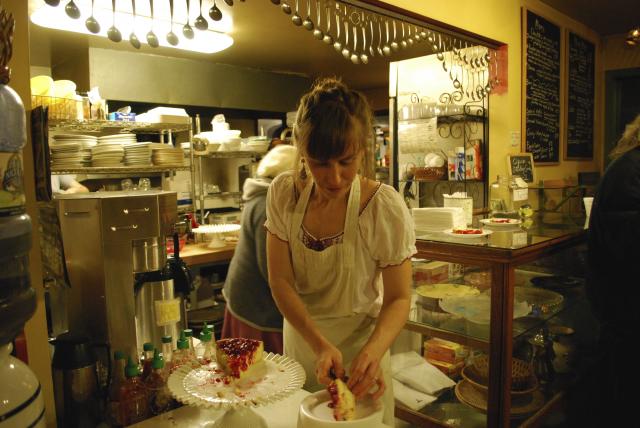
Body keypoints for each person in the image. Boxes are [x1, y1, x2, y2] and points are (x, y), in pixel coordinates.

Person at [265, 78, 416, 425]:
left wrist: (373, 353)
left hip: (364, 350)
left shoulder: (383, 206)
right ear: (302, 152)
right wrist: (318, 344)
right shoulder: (284, 194)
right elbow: (281, 283)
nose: (334, 177)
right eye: (319, 163)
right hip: (303, 346)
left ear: (363, 150)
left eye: (346, 161)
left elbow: (398, 298)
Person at [582, 113, 640, 427]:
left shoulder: (630, 167)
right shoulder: (631, 171)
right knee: (623, 389)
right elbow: (628, 248)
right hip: (624, 305)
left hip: (620, 301)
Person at [220, 144, 298, 354]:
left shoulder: (264, 195)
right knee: (261, 376)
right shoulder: (267, 204)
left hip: (246, 299)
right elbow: (270, 270)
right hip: (255, 308)